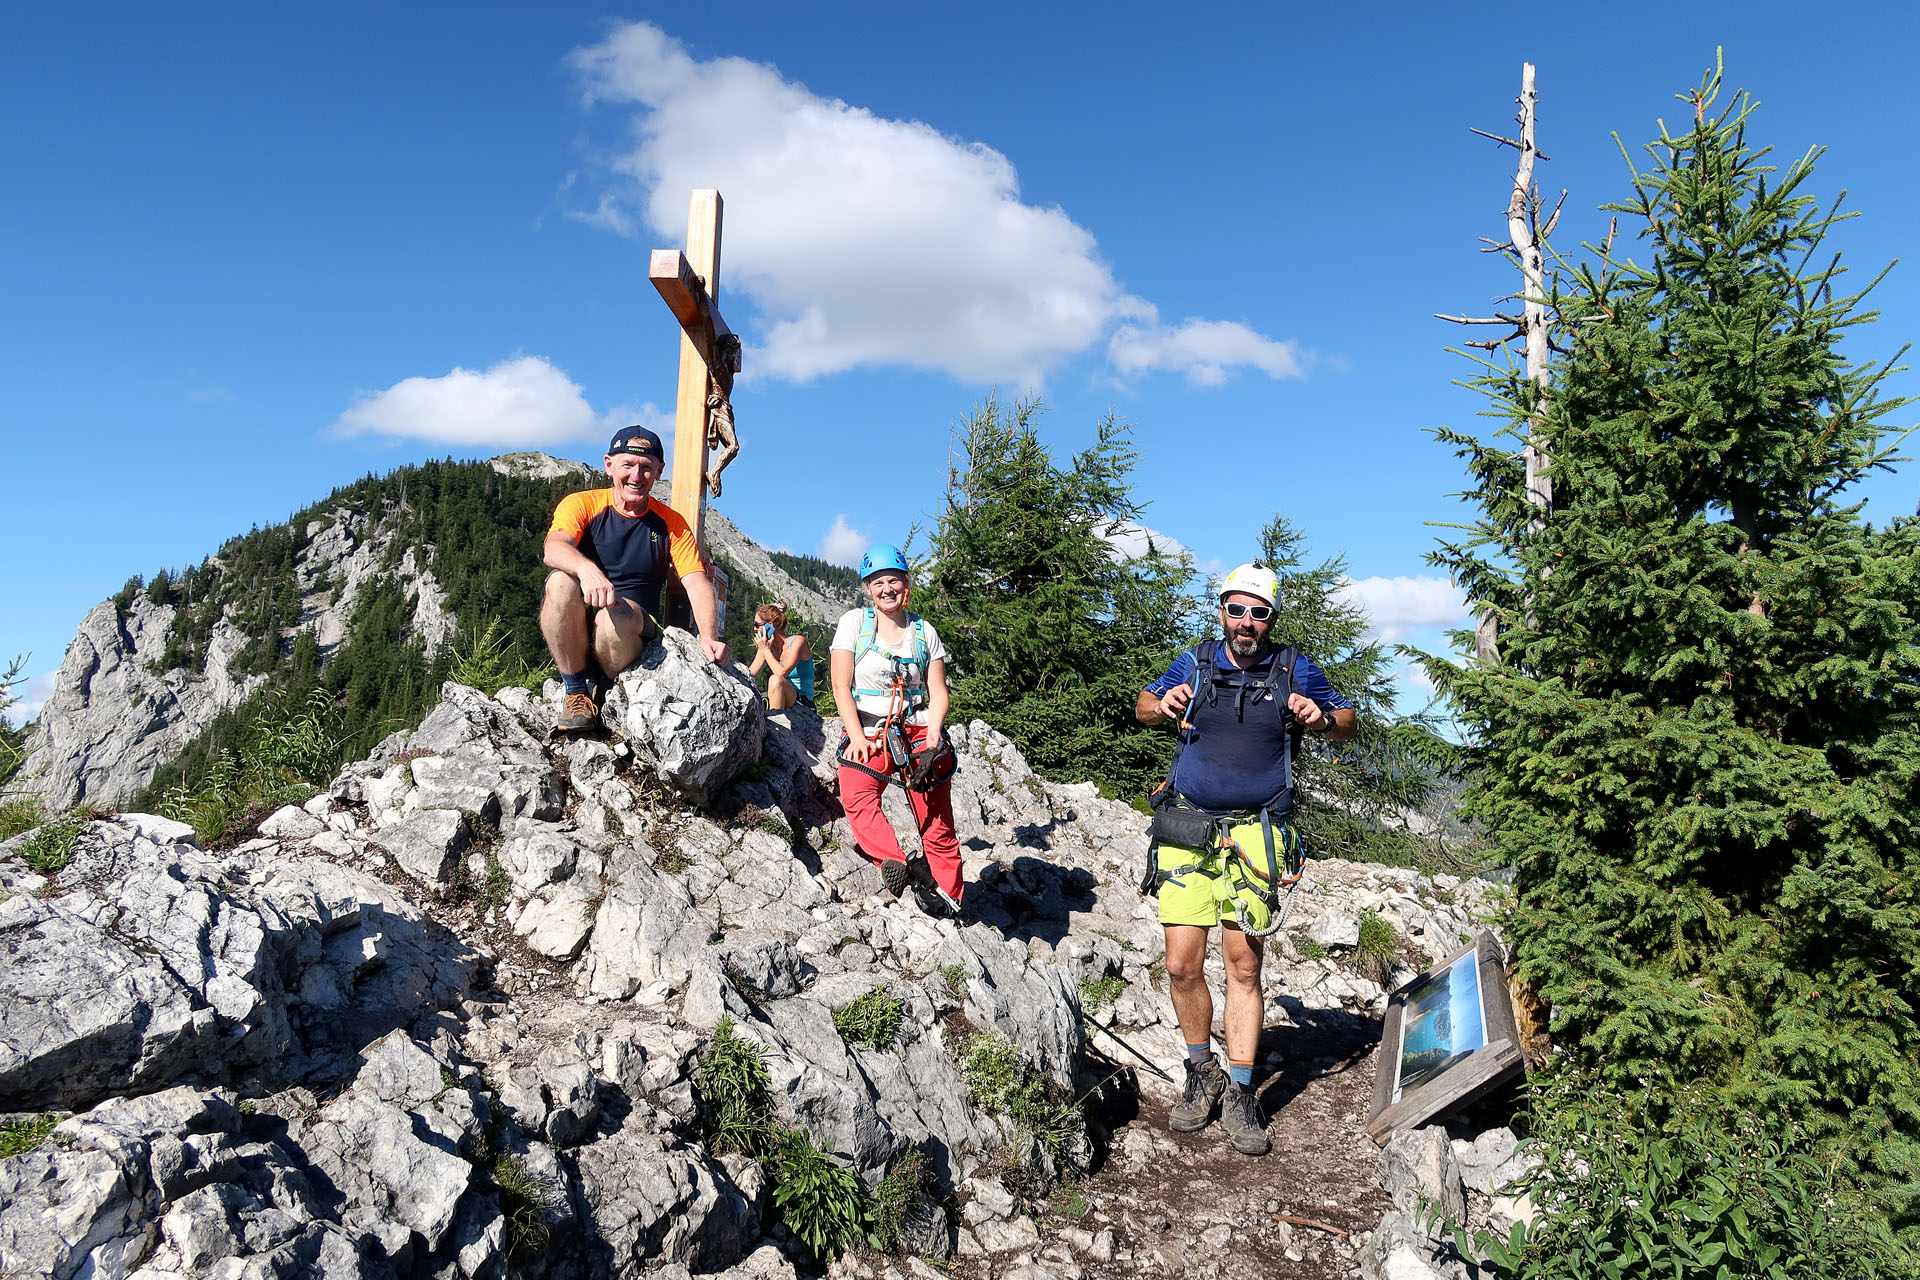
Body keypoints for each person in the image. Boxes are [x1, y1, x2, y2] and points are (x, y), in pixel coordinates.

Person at [1135, 563, 1356, 1157]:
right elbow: (1144, 705)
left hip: (1258, 834)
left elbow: (1347, 721)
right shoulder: (1197, 660)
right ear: (1223, 611)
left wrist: (1321, 716)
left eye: (1259, 613)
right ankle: (1199, 1069)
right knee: (1181, 964)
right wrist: (1165, 703)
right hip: (1189, 828)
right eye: (1238, 609)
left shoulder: (1294, 667)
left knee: (1243, 965)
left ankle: (1238, 1087)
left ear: (1271, 619)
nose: (1247, 622)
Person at [540, 426, 730, 732]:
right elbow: (553, 548)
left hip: (631, 631)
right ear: (609, 464)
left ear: (658, 471)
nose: (636, 476)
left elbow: (695, 580)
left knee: (614, 613)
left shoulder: (671, 523)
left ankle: (606, 690)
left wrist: (709, 637)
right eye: (627, 465)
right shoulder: (583, 504)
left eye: (646, 468)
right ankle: (575, 692)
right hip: (579, 628)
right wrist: (588, 570)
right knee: (559, 583)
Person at [830, 544, 964, 912]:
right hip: (870, 732)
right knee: (858, 797)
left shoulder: (924, 632)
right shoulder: (854, 625)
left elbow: (938, 691)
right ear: (867, 589)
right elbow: (841, 685)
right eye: (877, 582)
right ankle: (901, 865)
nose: (886, 588)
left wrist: (934, 735)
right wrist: (855, 736)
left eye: (893, 581)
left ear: (905, 585)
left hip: (919, 731)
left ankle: (951, 899)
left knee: (936, 822)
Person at [747, 601, 815, 710]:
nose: (755, 629)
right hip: (784, 701)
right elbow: (749, 675)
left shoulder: (797, 642)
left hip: (803, 704)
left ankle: (777, 719)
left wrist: (765, 650)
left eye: (757, 625)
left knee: (776, 680)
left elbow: (781, 673)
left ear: (771, 625)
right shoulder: (768, 647)